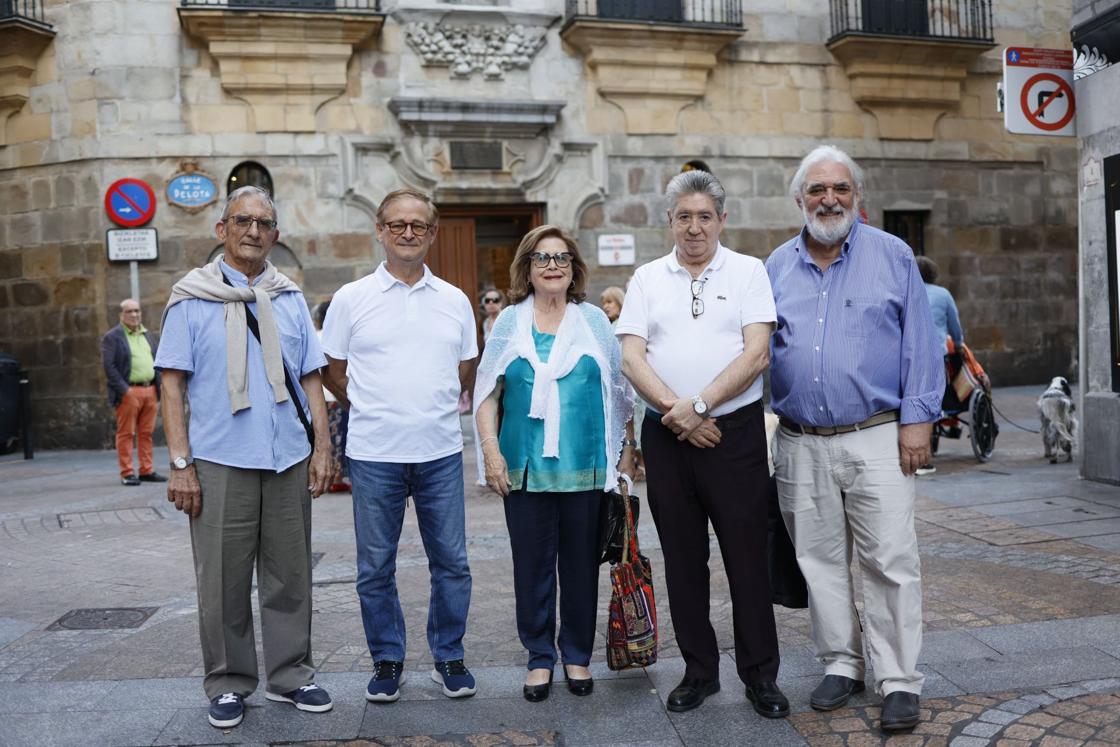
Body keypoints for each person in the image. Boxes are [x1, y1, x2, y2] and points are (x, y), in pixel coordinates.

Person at [766, 145, 943, 733]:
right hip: (800, 439)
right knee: (818, 562)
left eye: (840, 188)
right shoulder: (774, 266)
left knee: (890, 559)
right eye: (817, 190)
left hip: (877, 436)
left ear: (856, 196)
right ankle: (841, 663)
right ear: (799, 200)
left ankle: (897, 678)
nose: (829, 199)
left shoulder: (894, 256)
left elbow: (920, 340)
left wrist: (918, 420)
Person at [156, 185, 334, 729]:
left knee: (289, 575)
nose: (253, 231)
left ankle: (290, 675)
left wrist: (322, 449)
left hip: (285, 456)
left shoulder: (289, 297)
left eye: (263, 223)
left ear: (275, 235)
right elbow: (171, 384)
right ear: (222, 231)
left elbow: (311, 378)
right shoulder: (191, 297)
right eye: (242, 221)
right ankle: (230, 682)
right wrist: (181, 463)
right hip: (219, 459)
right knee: (223, 580)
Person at [616, 170, 788, 718]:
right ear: (670, 220)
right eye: (684, 216)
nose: (694, 227)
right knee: (684, 562)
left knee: (746, 561)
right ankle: (699, 672)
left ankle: (761, 676)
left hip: (732, 437)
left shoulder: (748, 271)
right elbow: (631, 357)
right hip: (666, 438)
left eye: (705, 216)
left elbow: (756, 353)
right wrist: (678, 413)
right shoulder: (646, 277)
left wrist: (699, 406)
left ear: (722, 220)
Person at [321, 188, 480, 704]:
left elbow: (464, 369)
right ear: (379, 230)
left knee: (452, 562)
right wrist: (373, 405)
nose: (408, 232)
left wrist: (424, 402)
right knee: (374, 567)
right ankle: (387, 660)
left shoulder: (454, 300)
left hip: (438, 451)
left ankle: (448, 656)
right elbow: (333, 371)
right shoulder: (351, 299)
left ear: (432, 233)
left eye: (418, 225)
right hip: (373, 454)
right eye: (397, 224)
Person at [474, 226, 635, 702]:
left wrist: (625, 451)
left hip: (585, 469)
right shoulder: (509, 322)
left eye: (561, 258)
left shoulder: (593, 321)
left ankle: (577, 656)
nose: (552, 266)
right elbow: (486, 391)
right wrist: (490, 450)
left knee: (581, 568)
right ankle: (539, 657)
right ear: (527, 267)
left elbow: (619, 390)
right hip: (524, 470)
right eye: (542, 258)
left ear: (573, 269)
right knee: (532, 568)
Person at [100, 298, 165, 486]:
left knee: (146, 434)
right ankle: (127, 473)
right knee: (126, 433)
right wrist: (125, 391)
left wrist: (158, 388)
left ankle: (146, 470)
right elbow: (109, 367)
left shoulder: (148, 335)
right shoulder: (113, 336)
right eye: (130, 311)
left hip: (150, 390)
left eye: (137, 311)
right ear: (121, 315)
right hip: (129, 392)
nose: (134, 315)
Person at [915, 255, 963, 475]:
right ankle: (923, 459)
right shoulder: (943, 294)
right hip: (934, 355)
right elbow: (955, 325)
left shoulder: (906, 292)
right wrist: (959, 344)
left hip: (907, 355)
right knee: (930, 401)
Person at [313, 298, 350, 492]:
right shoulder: (337, 335)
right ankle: (339, 476)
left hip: (320, 397)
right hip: (337, 395)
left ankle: (327, 475)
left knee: (324, 438)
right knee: (340, 437)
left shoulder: (316, 335)